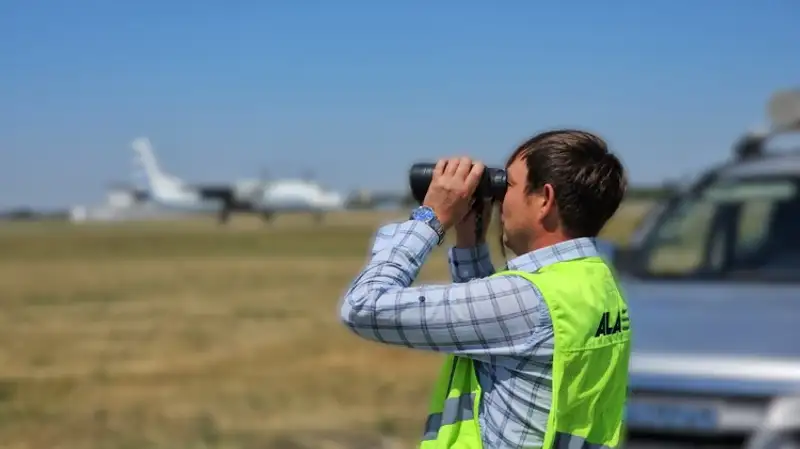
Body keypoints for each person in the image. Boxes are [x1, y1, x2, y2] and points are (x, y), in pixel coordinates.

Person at [338, 129, 631, 449]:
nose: (499, 200)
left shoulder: (528, 300)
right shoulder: (596, 283)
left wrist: (429, 218)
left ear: (545, 200)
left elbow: (363, 306)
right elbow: (496, 341)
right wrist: (471, 242)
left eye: (508, 186)